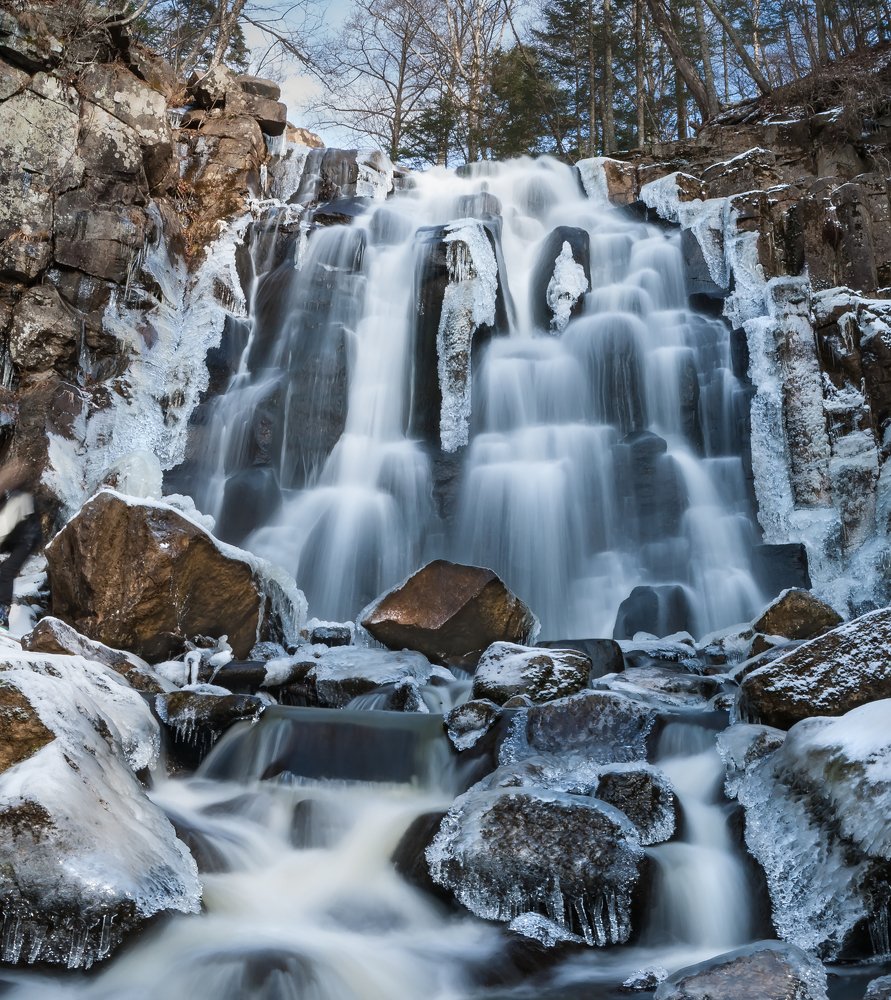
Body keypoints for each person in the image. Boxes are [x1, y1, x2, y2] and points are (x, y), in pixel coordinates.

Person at [0, 459, 42, 629]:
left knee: (5, 572)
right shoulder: (7, 499)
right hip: (16, 538)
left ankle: (2, 615)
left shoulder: (18, 498)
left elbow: (4, 527)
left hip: (28, 539)